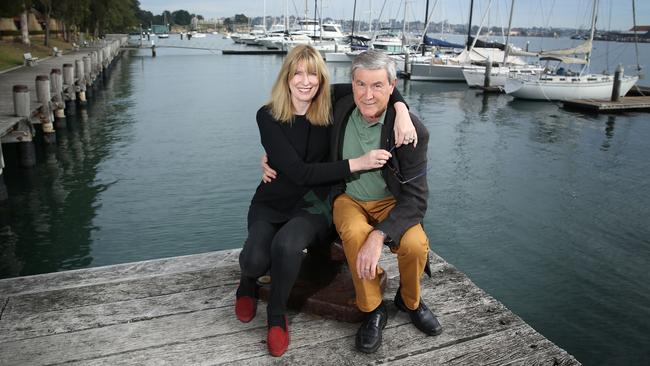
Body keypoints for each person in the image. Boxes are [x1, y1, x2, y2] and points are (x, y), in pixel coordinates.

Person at [236, 44, 417, 357]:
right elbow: (299, 172)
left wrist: (402, 111)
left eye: (314, 74)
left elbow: (378, 87)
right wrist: (359, 163)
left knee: (287, 245)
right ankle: (247, 283)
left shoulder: (331, 100)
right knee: (254, 260)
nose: (306, 81)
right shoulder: (267, 115)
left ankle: (276, 316)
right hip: (274, 197)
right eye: (298, 73)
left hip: (315, 203)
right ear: (287, 77)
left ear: (322, 78)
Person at [330, 49, 442, 354]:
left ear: (392, 87)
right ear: (351, 83)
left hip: (391, 202)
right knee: (354, 233)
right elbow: (293, 101)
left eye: (378, 85)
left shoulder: (410, 131)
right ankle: (373, 309)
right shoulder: (338, 104)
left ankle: (409, 301)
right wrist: (271, 152)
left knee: (417, 245)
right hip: (349, 198)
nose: (367, 94)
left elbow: (417, 199)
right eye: (360, 84)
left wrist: (380, 234)